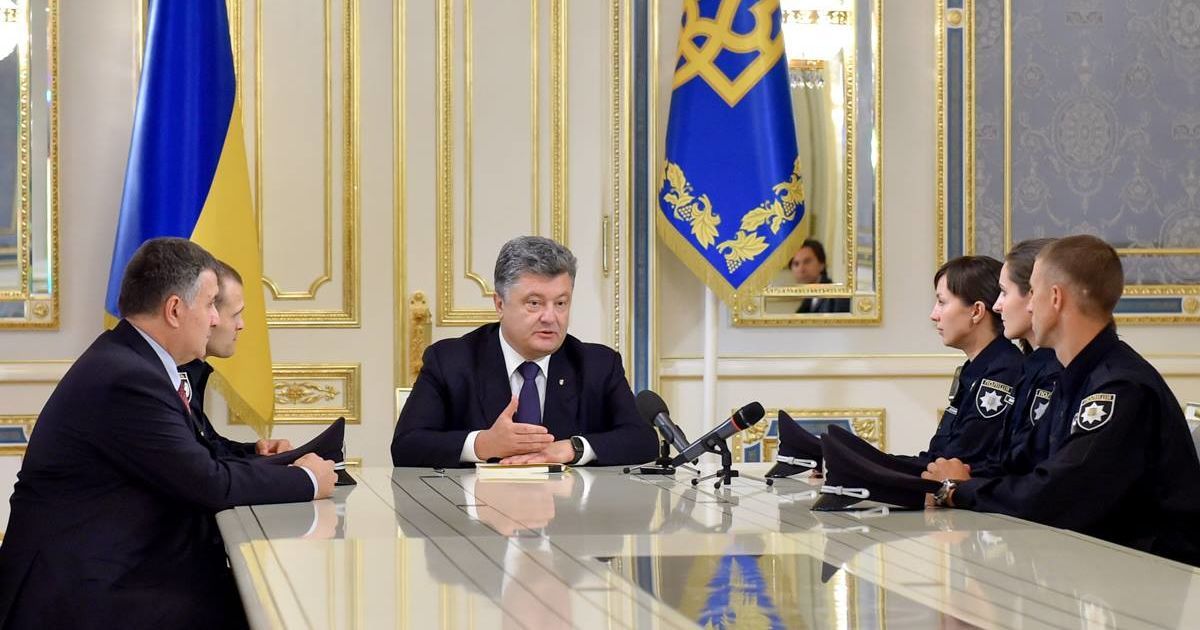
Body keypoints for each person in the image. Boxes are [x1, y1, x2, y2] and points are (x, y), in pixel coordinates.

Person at [0, 238, 337, 630]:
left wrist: (267, 459)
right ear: (175, 310)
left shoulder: (133, 361)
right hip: (84, 594)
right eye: (210, 305)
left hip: (117, 570)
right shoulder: (127, 378)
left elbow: (195, 456)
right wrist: (307, 479)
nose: (216, 319)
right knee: (269, 605)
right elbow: (208, 483)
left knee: (263, 597)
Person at [924, 235, 1200, 566]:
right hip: (1095, 560)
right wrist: (963, 482)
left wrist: (958, 489)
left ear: (1055, 298)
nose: (1025, 306)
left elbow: (1057, 494)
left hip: (1147, 572)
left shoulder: (1119, 386)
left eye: (1032, 293)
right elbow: (1026, 465)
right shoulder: (1076, 374)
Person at [391, 236, 658, 468]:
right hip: (477, 508)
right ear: (499, 304)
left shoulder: (598, 365)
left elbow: (643, 440)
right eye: (534, 303)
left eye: (561, 303)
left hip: (569, 508)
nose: (550, 317)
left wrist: (573, 448)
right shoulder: (450, 361)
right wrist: (484, 444)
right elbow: (407, 445)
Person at [903, 255, 1024, 469]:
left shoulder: (1003, 372)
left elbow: (956, 461)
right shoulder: (976, 368)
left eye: (942, 302)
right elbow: (937, 456)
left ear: (976, 311)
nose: (934, 315)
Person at [177, 260, 292, 459]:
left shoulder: (189, 371)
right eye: (235, 315)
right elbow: (197, 467)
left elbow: (208, 445)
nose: (241, 325)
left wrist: (257, 451)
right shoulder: (165, 375)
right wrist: (302, 475)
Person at [970, 238, 1061, 478]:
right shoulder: (1030, 366)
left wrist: (960, 484)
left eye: (1003, 292)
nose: (997, 306)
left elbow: (1031, 470)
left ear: (1034, 295)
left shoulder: (1056, 370)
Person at [788, 239, 850, 314]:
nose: (801, 269)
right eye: (796, 264)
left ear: (821, 264)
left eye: (807, 262)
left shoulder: (838, 298)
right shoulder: (808, 301)